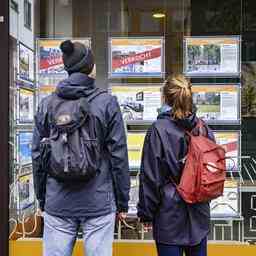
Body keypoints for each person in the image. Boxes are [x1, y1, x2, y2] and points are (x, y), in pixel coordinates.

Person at [32, 40, 130, 256]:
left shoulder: (46, 105)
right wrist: (122, 202)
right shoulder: (107, 103)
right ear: (90, 68)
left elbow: (38, 155)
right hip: (98, 202)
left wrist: (42, 198)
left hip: (57, 203)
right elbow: (119, 157)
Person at [137, 74, 215, 256]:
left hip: (168, 215)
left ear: (165, 97)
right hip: (198, 214)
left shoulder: (158, 129)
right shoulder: (202, 127)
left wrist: (146, 213)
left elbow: (151, 177)